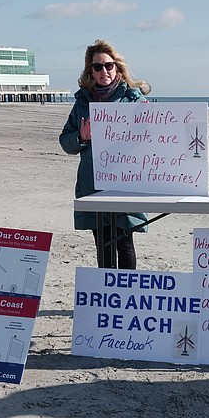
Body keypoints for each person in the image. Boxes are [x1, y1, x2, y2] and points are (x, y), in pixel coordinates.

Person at [59, 39, 150, 269]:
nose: (104, 71)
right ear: (90, 70)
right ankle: (108, 293)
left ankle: (128, 296)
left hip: (125, 183)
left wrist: (150, 121)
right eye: (97, 66)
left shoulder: (133, 99)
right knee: (104, 245)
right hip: (93, 184)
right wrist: (81, 137)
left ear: (117, 67)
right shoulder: (82, 103)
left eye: (108, 65)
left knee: (125, 243)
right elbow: (65, 142)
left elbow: (154, 139)